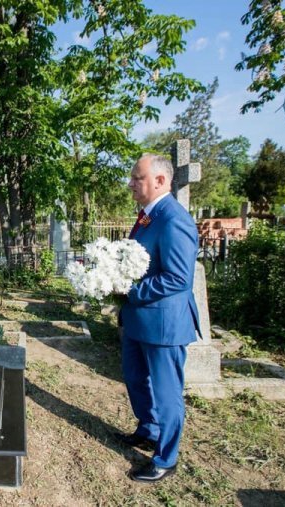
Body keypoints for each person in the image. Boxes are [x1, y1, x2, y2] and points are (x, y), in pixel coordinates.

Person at [116, 154, 201, 483]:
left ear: (160, 181)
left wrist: (131, 290)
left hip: (164, 325)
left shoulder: (173, 218)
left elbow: (178, 278)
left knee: (166, 393)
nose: (131, 184)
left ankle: (166, 457)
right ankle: (148, 429)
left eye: (137, 178)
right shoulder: (146, 217)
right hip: (138, 321)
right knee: (136, 379)